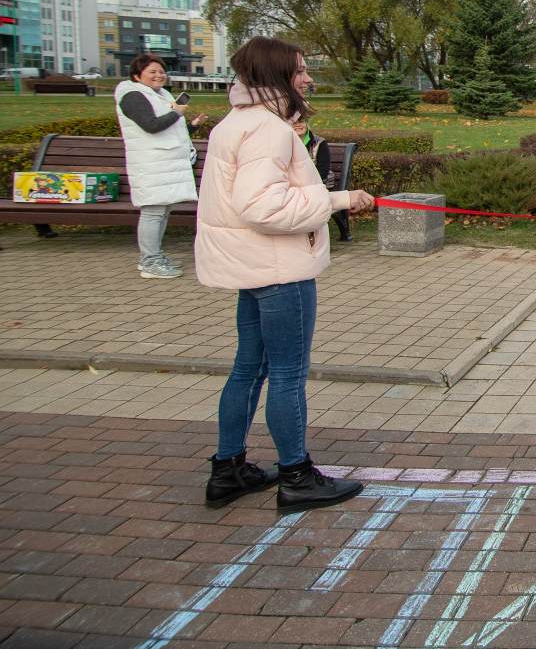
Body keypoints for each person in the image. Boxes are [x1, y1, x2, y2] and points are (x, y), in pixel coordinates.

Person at [196, 37, 376, 513]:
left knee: (249, 367)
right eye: (299, 71)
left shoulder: (236, 123)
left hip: (254, 268)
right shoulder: (267, 130)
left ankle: (228, 469)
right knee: (287, 374)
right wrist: (336, 199)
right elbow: (262, 206)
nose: (307, 79)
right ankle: (296, 475)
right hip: (278, 269)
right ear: (275, 75)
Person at [115, 53, 208, 279]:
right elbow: (151, 126)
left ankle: (154, 256)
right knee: (153, 212)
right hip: (151, 163)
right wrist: (176, 112)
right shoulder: (133, 96)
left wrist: (192, 125)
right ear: (137, 75)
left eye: (161, 71)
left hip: (163, 163)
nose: (159, 75)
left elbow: (170, 130)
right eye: (152, 72)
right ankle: (150, 261)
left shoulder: (160, 95)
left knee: (162, 211)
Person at [292, 119, 351, 241]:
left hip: (320, 183)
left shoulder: (319, 143)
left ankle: (308, 234)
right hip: (295, 185)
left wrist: (306, 185)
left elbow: (323, 170)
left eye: (301, 121)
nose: (298, 125)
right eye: (294, 123)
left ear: (307, 124)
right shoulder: (286, 141)